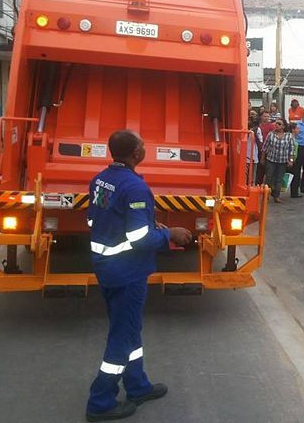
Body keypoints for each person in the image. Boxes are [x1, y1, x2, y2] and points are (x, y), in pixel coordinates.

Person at [86, 130, 194, 422]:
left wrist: (148, 222)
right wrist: (169, 234)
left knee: (130, 330)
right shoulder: (135, 187)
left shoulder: (101, 179)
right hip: (127, 272)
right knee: (122, 337)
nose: (145, 147)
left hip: (107, 266)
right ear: (135, 153)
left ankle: (137, 386)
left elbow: (96, 219)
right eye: (143, 145)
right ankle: (100, 401)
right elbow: (139, 240)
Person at [262, 118, 295, 203]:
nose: (276, 125)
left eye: (279, 124)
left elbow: (291, 149)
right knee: (269, 178)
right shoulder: (271, 134)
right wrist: (262, 158)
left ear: (284, 126)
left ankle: (276, 196)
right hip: (271, 160)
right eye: (276, 123)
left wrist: (290, 160)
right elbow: (265, 147)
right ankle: (266, 195)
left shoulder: (289, 136)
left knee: (279, 179)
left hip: (282, 161)